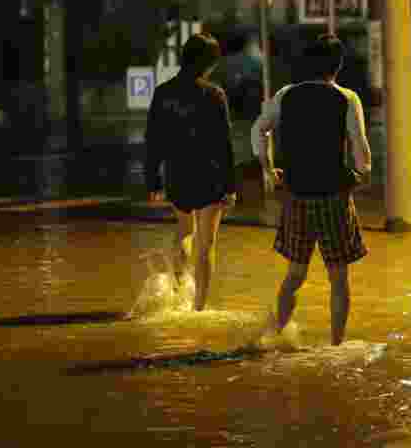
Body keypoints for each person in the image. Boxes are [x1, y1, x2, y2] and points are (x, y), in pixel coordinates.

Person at [251, 34, 372, 346]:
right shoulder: (347, 98)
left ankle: (273, 337)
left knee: (294, 275)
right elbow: (360, 149)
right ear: (339, 65)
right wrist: (362, 173)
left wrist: (268, 167)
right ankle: (335, 345)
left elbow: (258, 129)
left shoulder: (286, 95)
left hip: (296, 195)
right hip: (334, 196)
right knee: (339, 278)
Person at [145, 32, 236, 311]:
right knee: (206, 245)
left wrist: (153, 181)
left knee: (185, 231)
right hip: (210, 175)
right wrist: (231, 186)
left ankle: (177, 288)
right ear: (208, 63)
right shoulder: (215, 94)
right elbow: (225, 144)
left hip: (177, 173)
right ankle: (198, 307)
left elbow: (153, 140)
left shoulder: (163, 93)